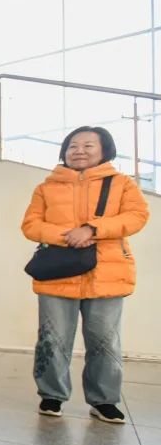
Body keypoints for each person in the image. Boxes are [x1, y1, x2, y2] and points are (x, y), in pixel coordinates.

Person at [21, 126, 149, 423]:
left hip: (107, 273)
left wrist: (92, 229)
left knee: (105, 341)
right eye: (73, 145)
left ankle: (104, 400)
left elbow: (137, 216)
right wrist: (68, 236)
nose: (79, 151)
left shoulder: (122, 184)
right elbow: (30, 225)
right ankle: (51, 395)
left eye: (88, 145)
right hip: (58, 273)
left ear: (104, 150)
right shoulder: (46, 187)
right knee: (52, 339)